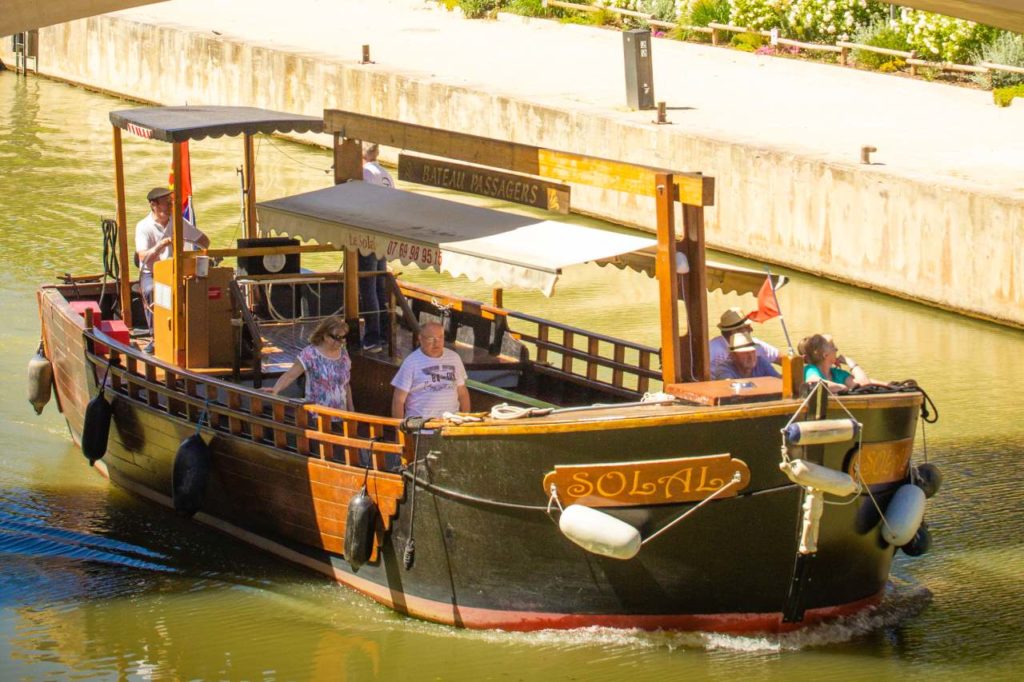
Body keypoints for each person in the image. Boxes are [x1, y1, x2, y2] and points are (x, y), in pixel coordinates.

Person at [135, 186, 209, 337]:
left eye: (171, 202)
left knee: (195, 288)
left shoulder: (179, 222)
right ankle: (156, 336)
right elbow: (142, 256)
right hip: (152, 273)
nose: (170, 206)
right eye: (166, 203)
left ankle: (191, 334)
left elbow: (204, 241)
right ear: (153, 205)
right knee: (151, 290)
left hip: (176, 270)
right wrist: (160, 246)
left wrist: (193, 257)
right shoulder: (143, 227)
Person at [263, 317, 354, 412]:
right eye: (337, 338)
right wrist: (275, 389)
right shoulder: (310, 354)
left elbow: (346, 385)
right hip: (316, 415)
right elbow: (290, 375)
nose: (341, 341)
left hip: (341, 415)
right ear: (325, 336)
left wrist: (351, 411)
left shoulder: (344, 354)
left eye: (343, 337)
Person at [391, 321, 470, 419]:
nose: (436, 343)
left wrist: (466, 420)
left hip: (450, 425)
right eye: (431, 339)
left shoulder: (454, 358)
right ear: (420, 338)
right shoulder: (411, 362)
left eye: (440, 338)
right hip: (420, 427)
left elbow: (462, 393)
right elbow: (398, 400)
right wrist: (399, 430)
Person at [358, 142, 394, 352]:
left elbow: (361, 203)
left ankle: (372, 337)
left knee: (367, 286)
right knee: (379, 285)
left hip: (368, 236)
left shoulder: (364, 173)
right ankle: (384, 334)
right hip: (383, 235)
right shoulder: (386, 174)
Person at [709, 307, 780, 371]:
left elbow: (785, 359)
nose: (752, 330)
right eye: (747, 327)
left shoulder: (755, 344)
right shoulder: (712, 348)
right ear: (735, 332)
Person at [799, 333, 871, 391]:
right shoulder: (810, 369)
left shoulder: (837, 373)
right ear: (825, 355)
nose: (837, 349)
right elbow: (815, 384)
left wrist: (851, 363)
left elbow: (864, 383)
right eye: (833, 346)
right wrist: (841, 387)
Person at [713, 331, 781, 380]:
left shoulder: (761, 362)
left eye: (753, 352)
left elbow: (778, 381)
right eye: (745, 353)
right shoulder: (724, 369)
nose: (751, 356)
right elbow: (728, 387)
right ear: (733, 355)